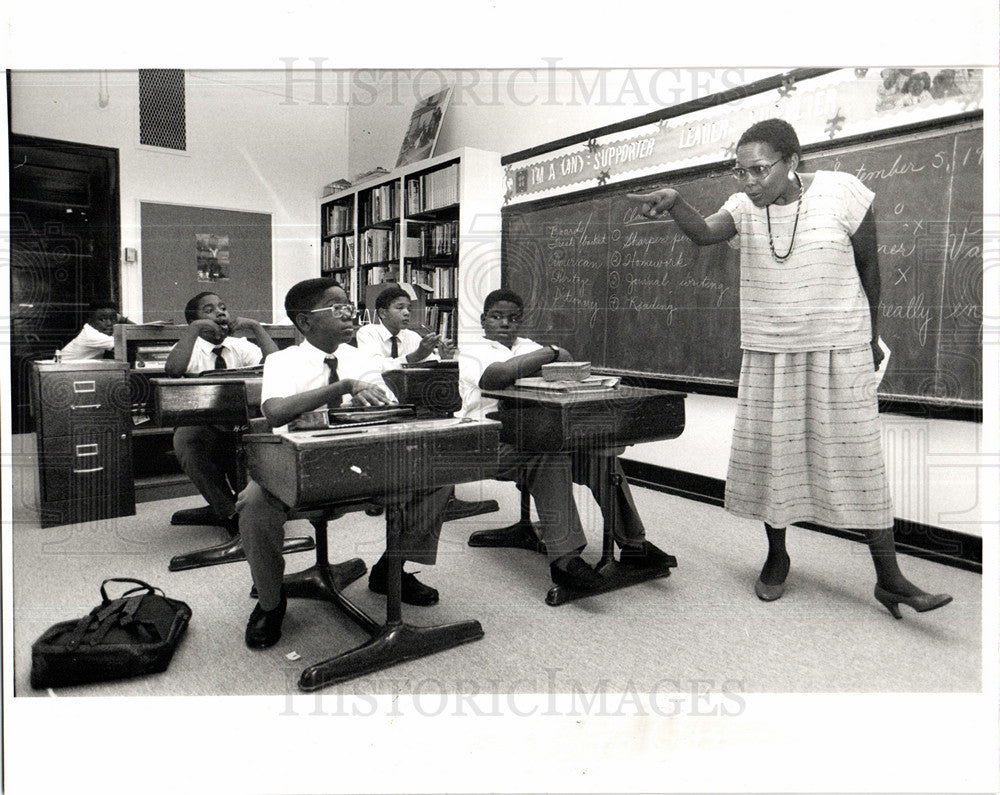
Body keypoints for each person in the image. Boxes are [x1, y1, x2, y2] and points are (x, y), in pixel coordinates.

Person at [627, 118, 952, 619]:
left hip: (839, 346)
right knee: (775, 459)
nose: (749, 181)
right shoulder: (742, 208)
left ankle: (889, 579)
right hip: (770, 348)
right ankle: (777, 557)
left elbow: (872, 268)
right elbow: (705, 234)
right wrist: (677, 205)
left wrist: (869, 337)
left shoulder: (843, 193)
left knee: (860, 461)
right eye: (741, 172)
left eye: (759, 170)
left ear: (793, 162)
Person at [238, 278, 451, 648]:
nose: (350, 314)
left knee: (437, 478)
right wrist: (342, 388)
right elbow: (274, 412)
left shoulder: (362, 358)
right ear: (305, 322)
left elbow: (383, 406)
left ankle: (391, 570)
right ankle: (271, 603)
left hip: (358, 461)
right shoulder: (281, 360)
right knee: (254, 503)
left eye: (350, 306)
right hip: (297, 467)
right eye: (338, 309)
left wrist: (378, 399)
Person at [456, 288, 675, 592]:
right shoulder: (471, 350)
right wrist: (551, 352)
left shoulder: (527, 346)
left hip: (537, 431)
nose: (505, 324)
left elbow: (568, 364)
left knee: (601, 459)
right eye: (497, 317)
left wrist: (554, 356)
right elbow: (496, 377)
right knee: (550, 457)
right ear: (483, 320)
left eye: (513, 318)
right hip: (485, 438)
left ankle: (634, 544)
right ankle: (565, 560)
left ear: (521, 321)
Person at [163, 291, 278, 535]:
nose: (220, 312)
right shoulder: (188, 346)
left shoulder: (240, 346)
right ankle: (229, 511)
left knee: (269, 433)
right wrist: (193, 330)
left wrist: (256, 327)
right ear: (195, 321)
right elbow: (173, 370)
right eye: (209, 309)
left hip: (242, 422)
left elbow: (277, 364)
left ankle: (255, 505)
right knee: (185, 439)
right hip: (203, 424)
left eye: (223, 307)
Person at [355, 284, 454, 372]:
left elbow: (430, 365)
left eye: (409, 309)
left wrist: (444, 358)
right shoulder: (368, 332)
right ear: (383, 313)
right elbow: (374, 367)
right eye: (400, 307)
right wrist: (414, 357)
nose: (407, 313)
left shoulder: (412, 336)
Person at [60, 299, 134, 360]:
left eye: (112, 319)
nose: (109, 323)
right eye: (102, 319)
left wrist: (120, 318)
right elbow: (138, 336)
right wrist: (123, 319)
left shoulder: (97, 333)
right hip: (60, 371)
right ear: (90, 320)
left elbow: (139, 333)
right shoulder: (91, 336)